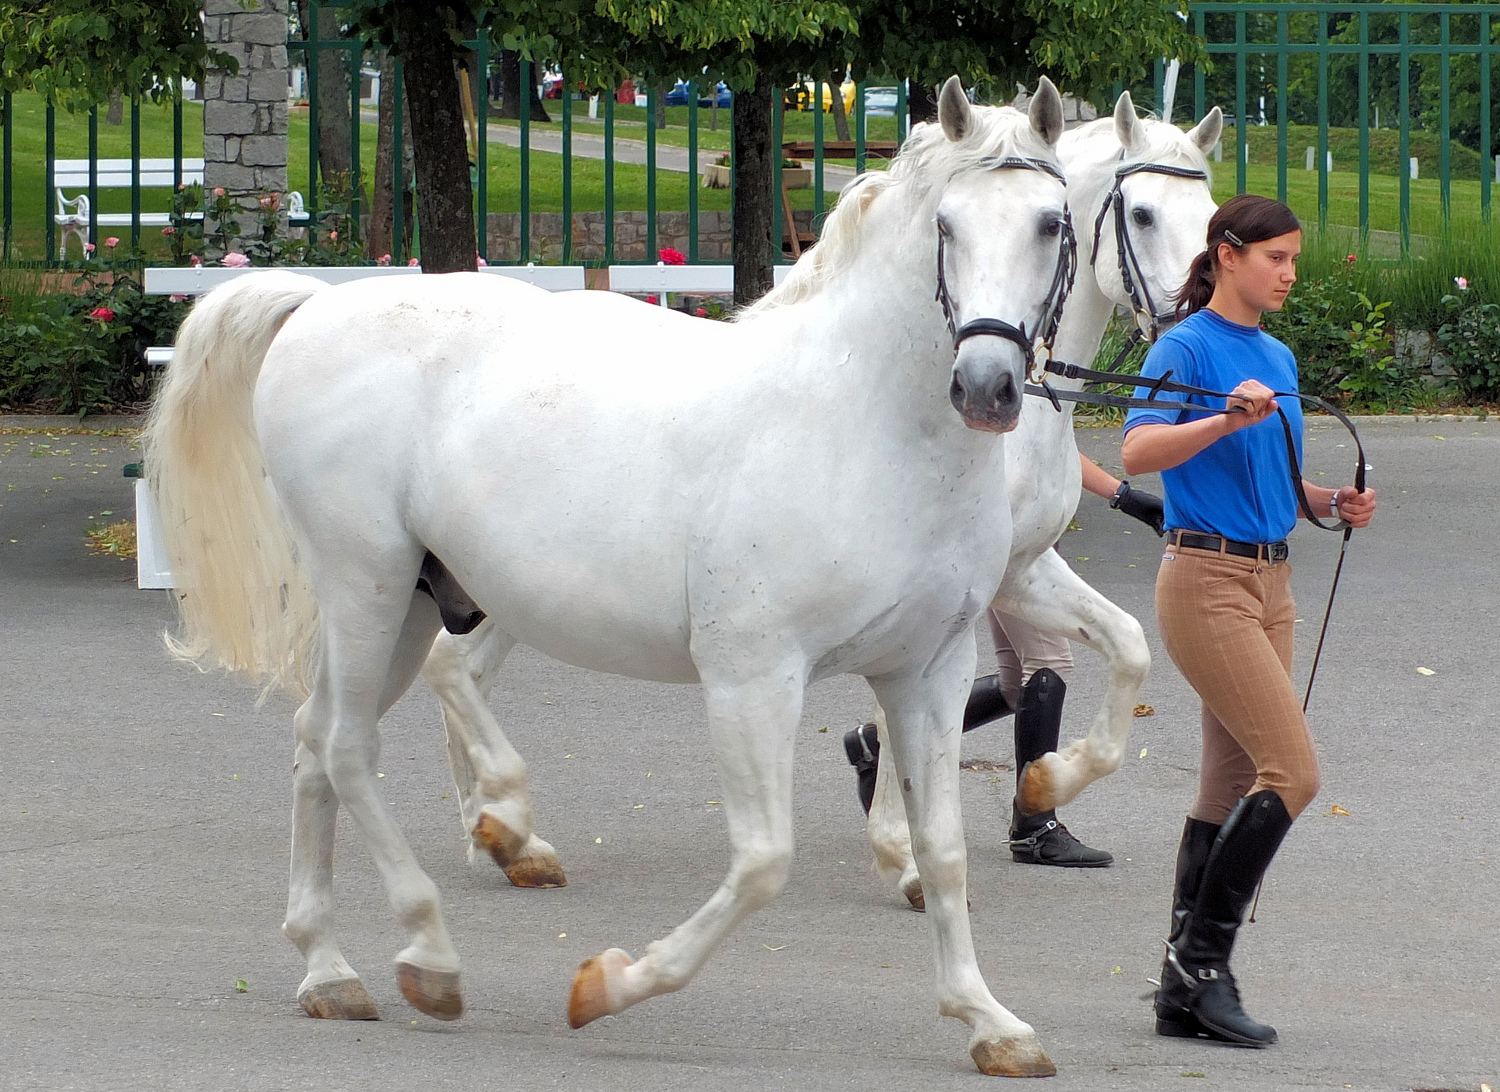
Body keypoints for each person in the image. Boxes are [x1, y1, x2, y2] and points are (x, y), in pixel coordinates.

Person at [1119, 194, 1376, 1048]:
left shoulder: (1278, 354)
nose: (1290, 273)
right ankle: (1202, 968)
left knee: (1229, 787)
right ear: (1228, 254)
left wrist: (1330, 501)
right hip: (1205, 580)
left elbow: (1279, 478)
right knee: (1292, 773)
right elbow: (1138, 451)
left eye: (1296, 259)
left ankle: (1178, 988)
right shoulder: (1185, 346)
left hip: (1272, 585)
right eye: (1277, 258)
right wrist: (1222, 414)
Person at [844, 450, 1166, 868]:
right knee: (1046, 665)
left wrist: (1122, 495)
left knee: (1016, 683)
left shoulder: (1034, 390)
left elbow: (1051, 439)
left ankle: (874, 743)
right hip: (1009, 546)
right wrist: (1121, 496)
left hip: (1026, 535)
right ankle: (1035, 826)